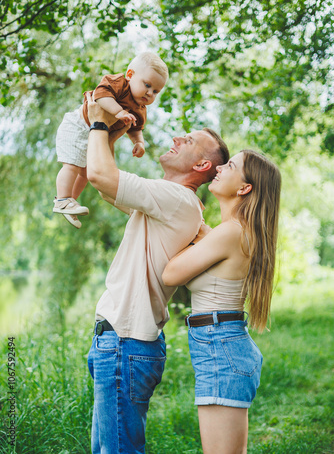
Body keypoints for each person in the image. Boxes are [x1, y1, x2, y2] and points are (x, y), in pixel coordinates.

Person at [85, 92, 230, 454]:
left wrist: (99, 121)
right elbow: (104, 185)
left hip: (125, 342)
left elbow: (101, 175)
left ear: (200, 166)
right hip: (120, 342)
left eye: (190, 141)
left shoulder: (177, 199)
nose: (178, 137)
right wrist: (113, 132)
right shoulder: (166, 203)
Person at [162, 150, 281, 454]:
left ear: (244, 188)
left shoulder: (231, 232)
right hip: (219, 344)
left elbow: (171, 274)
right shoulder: (231, 231)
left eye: (230, 165)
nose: (218, 167)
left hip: (220, 347)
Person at [53, 51, 168, 228]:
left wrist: (139, 142)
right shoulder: (118, 84)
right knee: (72, 165)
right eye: (147, 85)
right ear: (130, 75)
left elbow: (136, 128)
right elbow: (100, 96)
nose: (150, 93)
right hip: (78, 126)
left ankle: (70, 202)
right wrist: (118, 111)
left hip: (95, 135)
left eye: (155, 91)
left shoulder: (140, 108)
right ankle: (61, 199)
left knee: (86, 172)